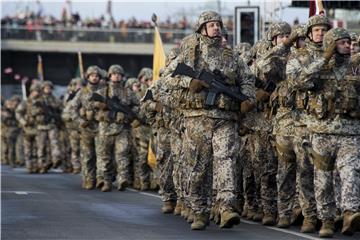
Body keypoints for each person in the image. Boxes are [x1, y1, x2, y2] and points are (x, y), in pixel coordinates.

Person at [168, 11, 255, 230]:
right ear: (202, 29)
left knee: (225, 159)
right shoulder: (191, 51)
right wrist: (191, 82)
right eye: (211, 25)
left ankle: (226, 207)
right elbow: (171, 74)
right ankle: (199, 210)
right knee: (199, 165)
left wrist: (248, 99)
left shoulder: (231, 55)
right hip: (198, 118)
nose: (216, 28)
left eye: (218, 24)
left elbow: (246, 78)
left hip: (225, 117)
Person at [96, 65, 139, 192]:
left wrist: (127, 114)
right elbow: (89, 104)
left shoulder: (128, 92)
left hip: (122, 129)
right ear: (109, 75)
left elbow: (139, 105)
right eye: (114, 74)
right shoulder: (103, 91)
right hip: (105, 129)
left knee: (122, 154)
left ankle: (122, 180)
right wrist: (101, 106)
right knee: (105, 156)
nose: (116, 76)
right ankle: (106, 181)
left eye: (119, 74)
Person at [69, 66, 106, 189]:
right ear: (88, 77)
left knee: (102, 154)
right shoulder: (82, 92)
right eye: (92, 75)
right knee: (88, 155)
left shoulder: (105, 91)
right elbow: (72, 108)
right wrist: (80, 121)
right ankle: (89, 179)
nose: (94, 77)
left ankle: (101, 178)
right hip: (86, 128)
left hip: (101, 126)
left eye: (96, 76)